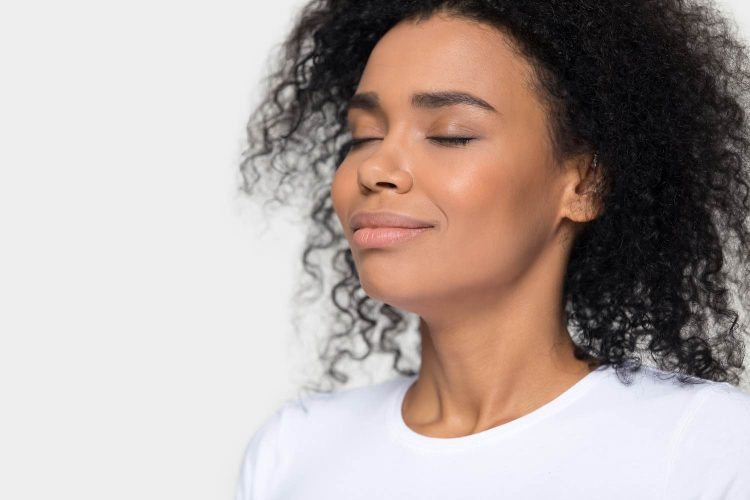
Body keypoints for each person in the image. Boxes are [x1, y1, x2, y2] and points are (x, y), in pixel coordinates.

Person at [236, 1, 750, 498]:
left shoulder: (704, 449)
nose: (374, 170)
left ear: (584, 185)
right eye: (363, 136)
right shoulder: (296, 450)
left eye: (450, 135)